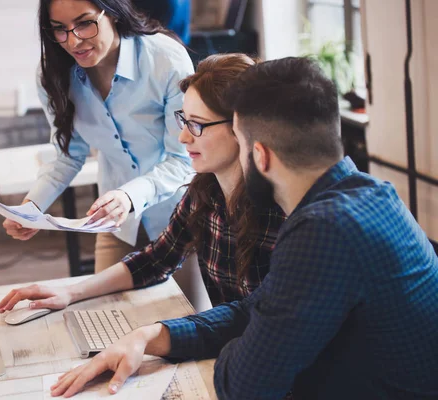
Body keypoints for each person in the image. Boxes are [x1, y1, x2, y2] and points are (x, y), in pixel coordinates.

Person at [47, 57, 438, 399]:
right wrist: (153, 335)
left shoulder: (322, 230)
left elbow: (243, 384)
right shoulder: (370, 195)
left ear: (259, 154)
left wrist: (240, 342)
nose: (185, 137)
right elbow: (259, 307)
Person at [0, 53, 285, 315]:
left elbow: (262, 323)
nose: (183, 137)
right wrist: (68, 292)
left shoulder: (281, 214)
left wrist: (160, 337)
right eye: (183, 120)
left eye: (196, 124)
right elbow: (156, 260)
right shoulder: (203, 193)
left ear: (241, 126)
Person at [3, 0, 195, 272]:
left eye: (84, 23)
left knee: (185, 312)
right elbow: (68, 156)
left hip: (179, 216)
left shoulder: (165, 58)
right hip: (115, 222)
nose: (74, 41)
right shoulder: (53, 74)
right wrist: (31, 207)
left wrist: (129, 197)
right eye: (60, 29)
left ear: (113, 13)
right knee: (106, 311)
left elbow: (182, 159)